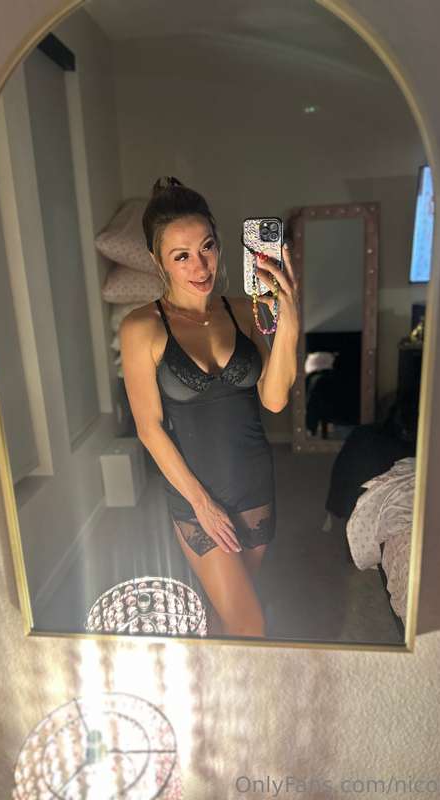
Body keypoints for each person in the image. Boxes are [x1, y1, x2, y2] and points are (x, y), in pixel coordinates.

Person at [120, 176, 299, 637]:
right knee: (252, 625)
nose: (200, 266)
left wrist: (289, 323)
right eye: (181, 256)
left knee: (232, 618)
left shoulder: (242, 310)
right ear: (158, 260)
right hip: (196, 495)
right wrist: (201, 504)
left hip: (254, 484)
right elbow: (149, 428)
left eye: (207, 247)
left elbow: (274, 400)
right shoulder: (141, 327)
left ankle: (213, 676)